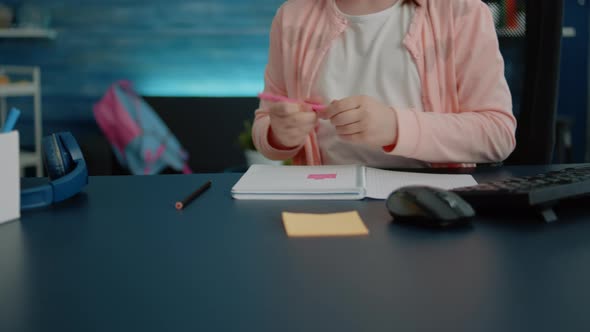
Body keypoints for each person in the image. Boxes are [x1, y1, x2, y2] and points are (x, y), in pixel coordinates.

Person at [252, 0, 516, 168]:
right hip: (325, 201)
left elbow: (497, 135)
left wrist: (395, 127)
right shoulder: (291, 17)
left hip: (430, 205)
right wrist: (279, 135)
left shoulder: (462, 12)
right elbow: (266, 122)